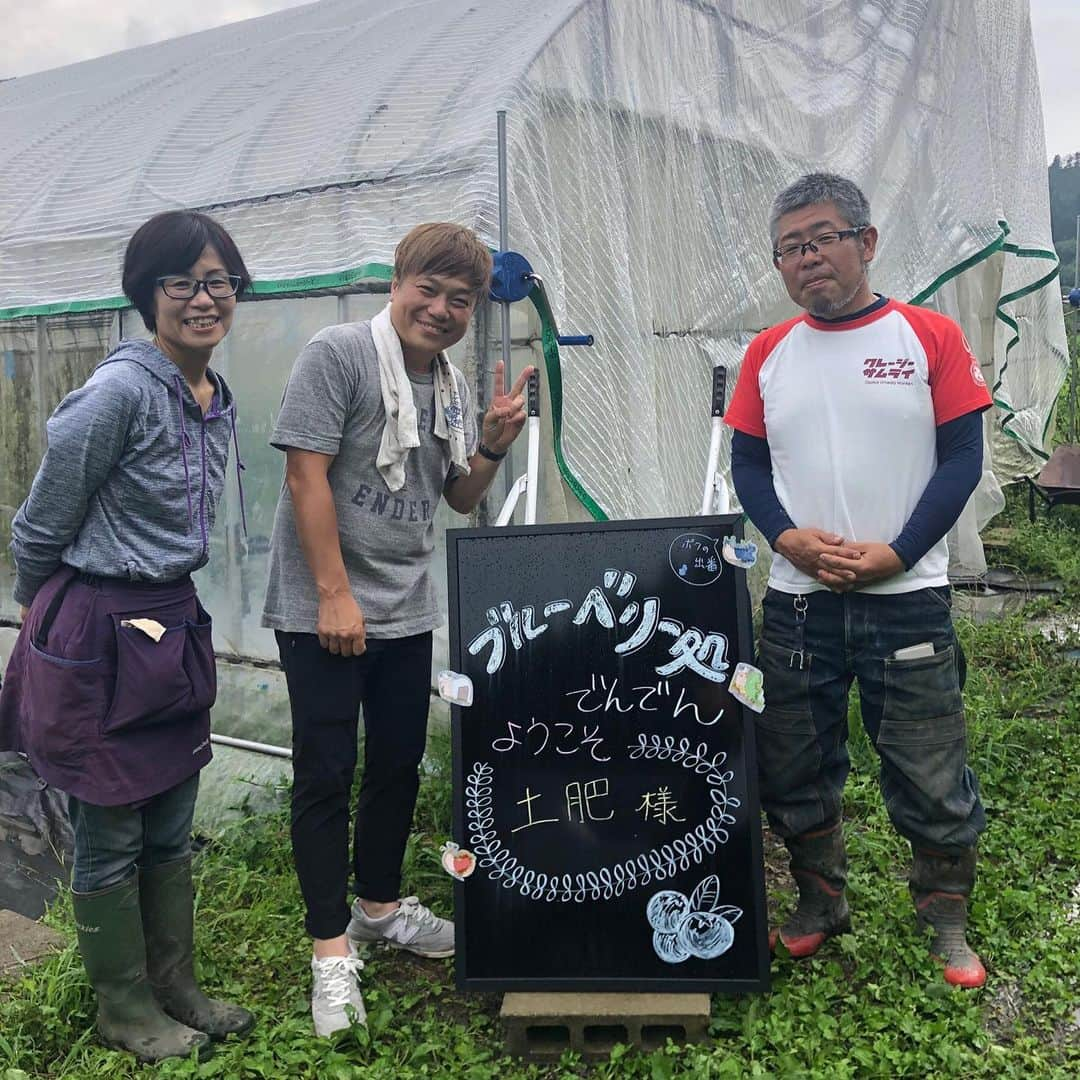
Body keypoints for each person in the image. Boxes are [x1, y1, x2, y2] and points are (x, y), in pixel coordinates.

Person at [262, 222, 534, 1036]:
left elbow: (455, 498)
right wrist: (333, 595)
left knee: (395, 765)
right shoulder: (338, 355)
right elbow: (304, 475)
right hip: (326, 606)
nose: (443, 310)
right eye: (431, 289)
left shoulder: (448, 384)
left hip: (406, 605)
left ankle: (379, 907)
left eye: (461, 299)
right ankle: (329, 951)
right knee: (326, 770)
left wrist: (488, 447)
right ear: (398, 281)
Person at [724, 173, 992, 988]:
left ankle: (945, 914)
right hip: (800, 606)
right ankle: (820, 900)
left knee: (926, 760)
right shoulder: (768, 353)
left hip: (905, 598)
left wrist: (900, 552)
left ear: (866, 242)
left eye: (823, 238)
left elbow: (962, 460)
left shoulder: (930, 336)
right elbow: (748, 463)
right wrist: (787, 540)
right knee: (796, 759)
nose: (808, 259)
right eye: (791, 248)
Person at [0, 211, 256, 1061]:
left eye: (217, 280)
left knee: (171, 809)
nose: (201, 298)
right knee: (110, 819)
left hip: (169, 615)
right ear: (147, 295)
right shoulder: (116, 393)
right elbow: (39, 524)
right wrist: (48, 621)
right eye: (180, 282)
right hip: (99, 623)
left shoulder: (212, 396)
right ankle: (122, 1003)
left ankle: (174, 983)